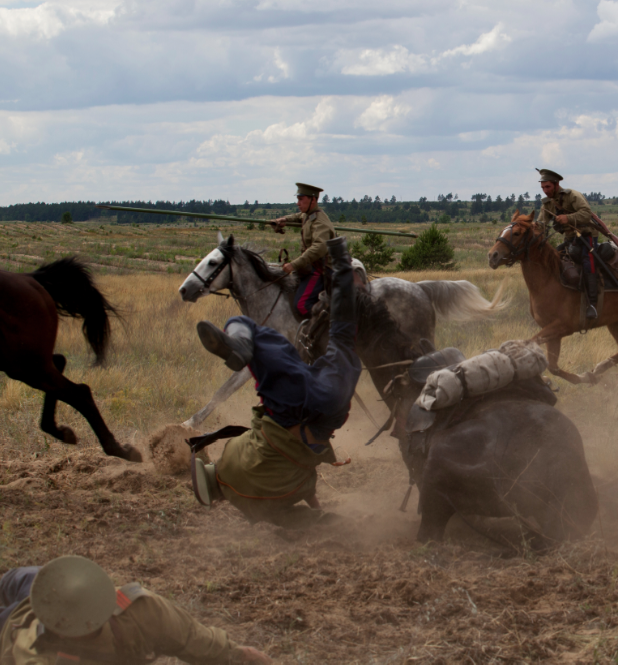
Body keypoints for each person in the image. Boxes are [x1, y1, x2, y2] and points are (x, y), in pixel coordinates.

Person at [191, 236, 362, 529]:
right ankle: (240, 339)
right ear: (210, 471)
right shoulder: (230, 455)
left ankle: (342, 262)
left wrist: (322, 516)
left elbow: (305, 484)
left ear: (217, 498)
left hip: (325, 416)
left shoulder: (253, 510)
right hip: (288, 406)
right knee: (256, 331)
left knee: (343, 332)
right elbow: (256, 427)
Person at [0, 555, 271, 664]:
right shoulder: (142, 612)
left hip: (25, 614)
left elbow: (195, 640)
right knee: (15, 579)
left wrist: (240, 656)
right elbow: (192, 639)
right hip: (27, 611)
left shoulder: (142, 612)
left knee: (17, 582)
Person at [535, 168, 601, 319]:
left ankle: (592, 305)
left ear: (556, 184)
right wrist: (532, 228)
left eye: (548, 187)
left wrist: (568, 218)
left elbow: (586, 213)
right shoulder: (547, 204)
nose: (545, 191)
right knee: (553, 258)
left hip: (587, 235)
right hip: (570, 239)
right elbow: (540, 224)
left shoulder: (573, 196)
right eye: (543, 188)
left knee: (588, 262)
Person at [270, 183, 336, 317]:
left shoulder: (320, 222)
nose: (297, 203)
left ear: (313, 199)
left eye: (301, 199)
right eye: (298, 199)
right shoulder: (308, 214)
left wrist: (294, 265)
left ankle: (323, 329)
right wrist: (283, 220)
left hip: (321, 269)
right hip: (312, 266)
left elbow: (319, 248)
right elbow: (298, 217)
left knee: (301, 305)